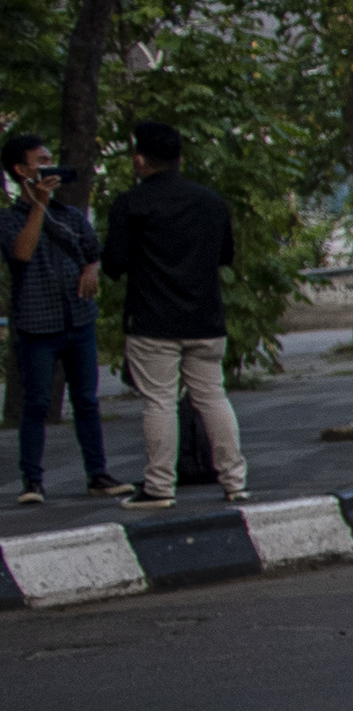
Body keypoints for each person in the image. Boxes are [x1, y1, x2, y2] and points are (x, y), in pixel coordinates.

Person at [100, 119, 242, 508]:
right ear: (180, 158)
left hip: (152, 320)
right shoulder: (210, 201)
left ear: (140, 160)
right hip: (205, 316)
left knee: (159, 401)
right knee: (213, 396)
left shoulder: (131, 204)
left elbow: (113, 262)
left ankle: (160, 486)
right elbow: (225, 256)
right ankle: (234, 480)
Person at [3, 132, 111, 505]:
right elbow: (22, 252)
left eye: (51, 159)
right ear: (20, 171)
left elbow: (92, 250)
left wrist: (92, 268)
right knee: (36, 403)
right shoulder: (11, 218)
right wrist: (39, 204)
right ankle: (32, 481)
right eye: (40, 161)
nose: (48, 166)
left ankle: (98, 474)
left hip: (77, 318)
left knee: (86, 400)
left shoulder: (69, 215)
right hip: (37, 324)